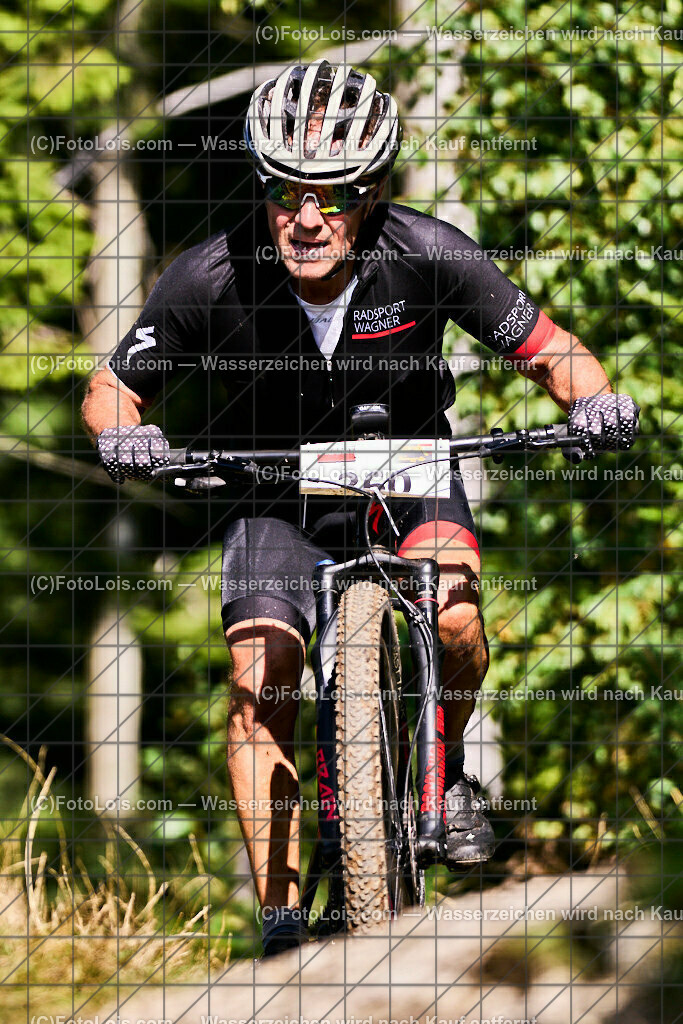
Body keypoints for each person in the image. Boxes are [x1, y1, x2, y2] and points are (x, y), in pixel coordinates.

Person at [82, 60, 639, 957]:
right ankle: (279, 914)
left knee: (455, 618)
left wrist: (593, 402)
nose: (307, 217)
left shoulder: (429, 252)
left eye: (334, 195)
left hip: (412, 471)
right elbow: (113, 385)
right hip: (272, 492)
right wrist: (122, 434)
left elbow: (552, 353)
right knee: (258, 685)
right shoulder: (211, 275)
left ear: (373, 192)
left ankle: (444, 768)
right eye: (285, 191)